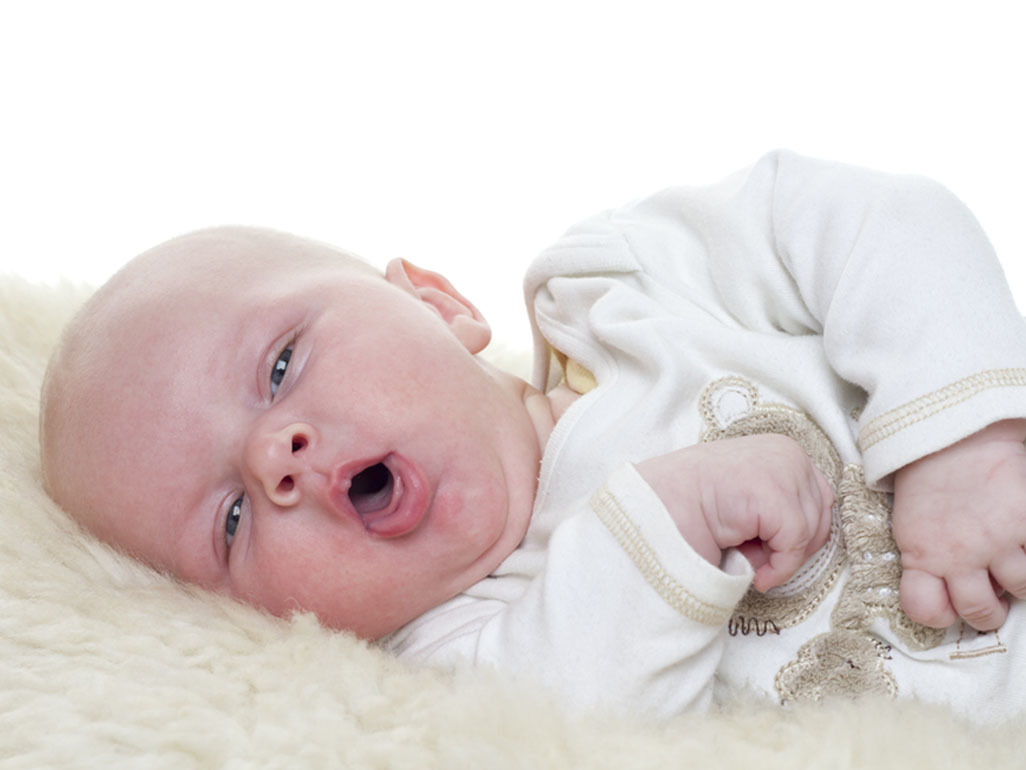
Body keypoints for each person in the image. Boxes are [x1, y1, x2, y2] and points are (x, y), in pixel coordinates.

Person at [39, 150, 1026, 723]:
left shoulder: (627, 287)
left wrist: (960, 439)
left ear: (435, 300)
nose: (278, 455)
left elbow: (873, 221)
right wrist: (673, 513)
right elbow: (585, 717)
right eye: (233, 519)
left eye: (283, 364)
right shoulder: (459, 657)